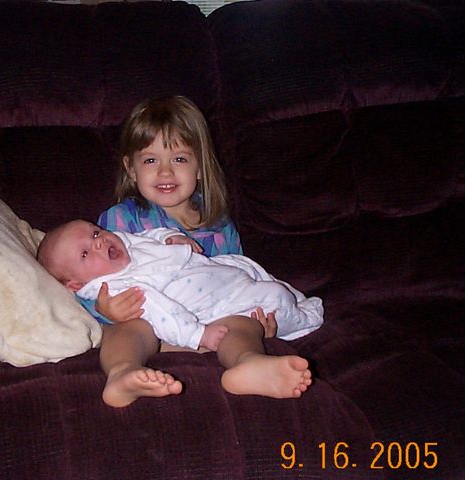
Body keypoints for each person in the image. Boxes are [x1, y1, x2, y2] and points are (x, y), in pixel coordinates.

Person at [37, 219, 322, 407]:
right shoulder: (114, 286)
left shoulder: (127, 244)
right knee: (126, 329)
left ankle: (248, 363)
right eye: (85, 254)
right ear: (77, 285)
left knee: (240, 327)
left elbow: (149, 237)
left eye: (96, 233)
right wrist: (199, 335)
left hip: (220, 304)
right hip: (175, 325)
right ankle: (122, 372)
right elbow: (162, 310)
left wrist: (172, 237)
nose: (98, 242)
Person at [88, 95, 243, 325]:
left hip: (211, 323)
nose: (165, 172)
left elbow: (241, 281)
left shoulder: (220, 226)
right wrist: (104, 310)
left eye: (179, 159)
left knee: (243, 329)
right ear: (131, 169)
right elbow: (86, 284)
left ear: (200, 167)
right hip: (145, 321)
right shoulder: (120, 221)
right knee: (129, 332)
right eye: (151, 161)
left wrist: (258, 316)